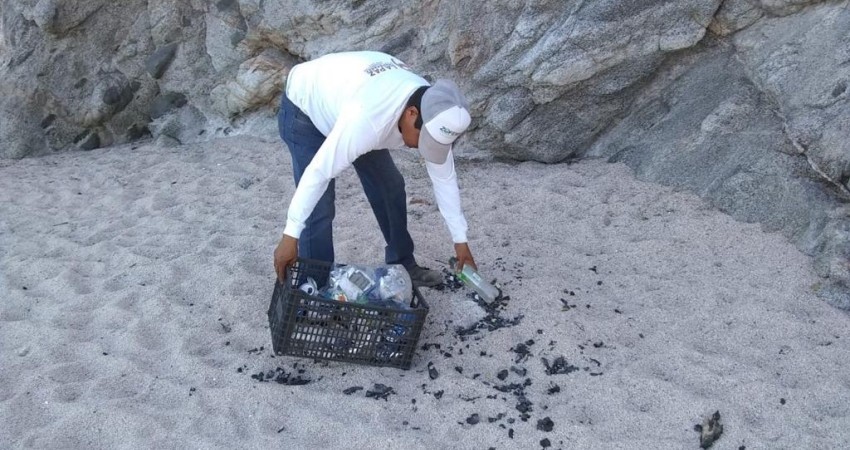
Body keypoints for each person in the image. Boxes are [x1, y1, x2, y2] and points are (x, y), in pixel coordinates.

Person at [273, 50, 478, 288]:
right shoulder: (368, 119)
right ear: (412, 114)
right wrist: (290, 235)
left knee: (389, 186)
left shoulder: (434, 110)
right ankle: (314, 287)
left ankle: (403, 266)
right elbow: (318, 173)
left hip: (352, 99)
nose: (422, 149)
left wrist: (460, 242)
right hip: (305, 106)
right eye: (423, 140)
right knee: (320, 205)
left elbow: (445, 181)